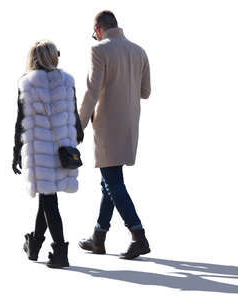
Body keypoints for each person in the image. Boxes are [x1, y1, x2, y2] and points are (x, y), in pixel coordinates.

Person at [78, 10, 151, 259]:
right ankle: (99, 237)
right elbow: (146, 91)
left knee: (113, 182)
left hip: (108, 126)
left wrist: (79, 125)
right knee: (109, 181)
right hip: (130, 124)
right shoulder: (139, 51)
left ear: (98, 29)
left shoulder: (99, 50)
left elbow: (92, 92)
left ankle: (138, 234)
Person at [12, 40, 84, 268]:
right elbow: (74, 116)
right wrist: (77, 137)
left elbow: (21, 121)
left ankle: (61, 252)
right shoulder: (67, 81)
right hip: (62, 147)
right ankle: (33, 245)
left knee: (49, 201)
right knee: (47, 198)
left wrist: (16, 152)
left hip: (39, 151)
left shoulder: (27, 83)